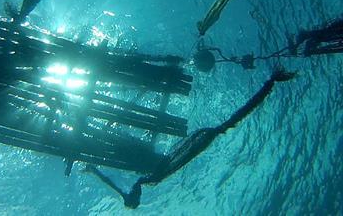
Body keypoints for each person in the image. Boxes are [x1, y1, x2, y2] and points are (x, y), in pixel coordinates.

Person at [86, 69, 295, 208]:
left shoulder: (149, 180)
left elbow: (116, 186)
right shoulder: (151, 179)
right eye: (133, 196)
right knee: (223, 127)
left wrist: (94, 170)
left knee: (223, 127)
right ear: (136, 196)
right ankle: (269, 85)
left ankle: (269, 85)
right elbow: (117, 187)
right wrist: (94, 170)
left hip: (142, 155)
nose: (131, 193)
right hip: (144, 156)